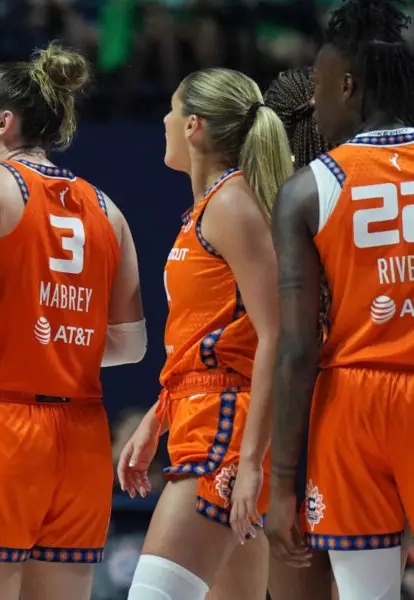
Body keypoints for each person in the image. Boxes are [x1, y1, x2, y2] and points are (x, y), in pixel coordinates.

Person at [0, 42, 146, 600]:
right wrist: (50, 343)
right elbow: (130, 345)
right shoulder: (107, 207)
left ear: (4, 122)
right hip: (82, 438)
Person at [119, 67, 293, 600]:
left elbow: (276, 338)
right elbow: (205, 343)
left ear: (193, 126)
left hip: (223, 431)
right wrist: (157, 416)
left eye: (172, 111)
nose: (164, 121)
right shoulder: (211, 206)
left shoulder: (233, 206)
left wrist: (248, 463)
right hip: (200, 417)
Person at [266, 0, 414, 597]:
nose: (314, 103)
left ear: (348, 87)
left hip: (351, 404)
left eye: (321, 86)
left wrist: (281, 488)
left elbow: (299, 349)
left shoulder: (307, 189)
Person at [263, 66, 337, 600]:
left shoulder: (280, 207)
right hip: (360, 408)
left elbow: (285, 348)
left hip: (293, 424)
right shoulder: (355, 192)